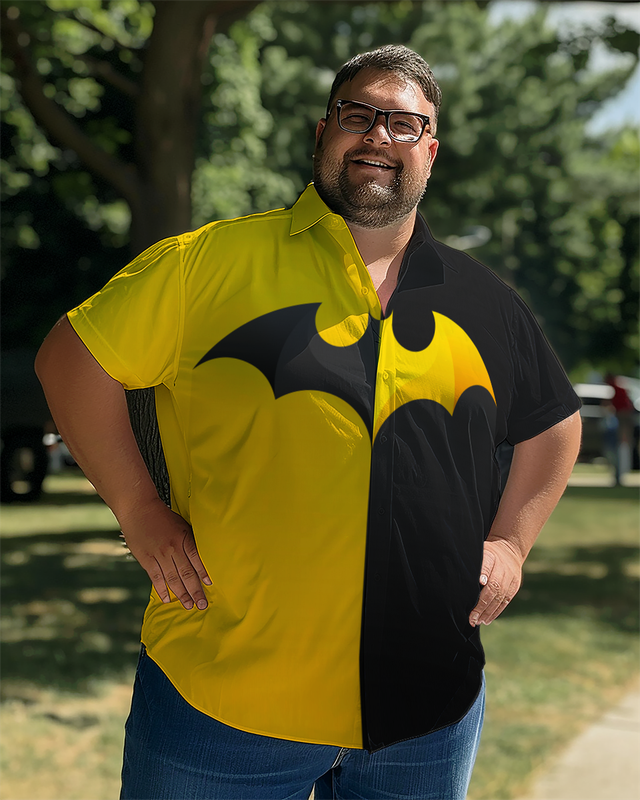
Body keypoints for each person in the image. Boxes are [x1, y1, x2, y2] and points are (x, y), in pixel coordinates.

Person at [35, 45, 582, 800]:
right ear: (323, 133)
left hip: (425, 716)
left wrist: (512, 543)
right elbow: (73, 360)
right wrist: (138, 507)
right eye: (358, 115)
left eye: (404, 124)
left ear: (430, 151)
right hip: (224, 705)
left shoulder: (484, 301)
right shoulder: (209, 262)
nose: (378, 135)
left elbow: (555, 424)